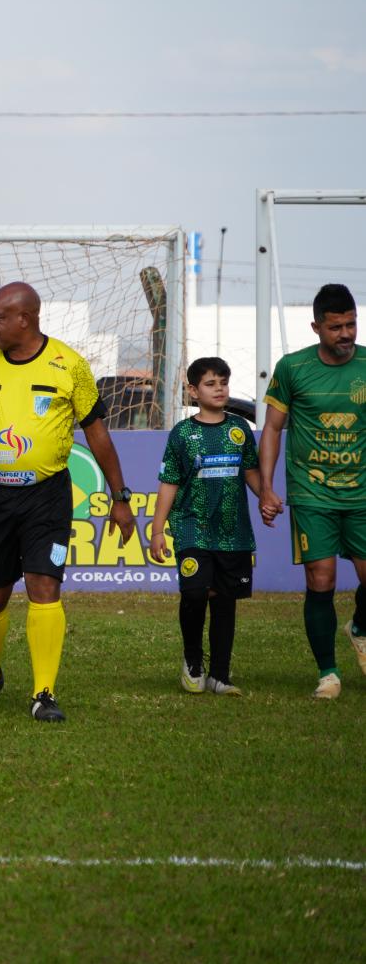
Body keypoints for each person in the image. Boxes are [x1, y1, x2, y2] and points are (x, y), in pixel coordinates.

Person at [0, 281, 136, 722]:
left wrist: (120, 496)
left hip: (46, 496)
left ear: (25, 319)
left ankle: (44, 693)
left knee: (43, 587)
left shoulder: (68, 365)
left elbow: (97, 433)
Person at [257, 283, 366, 700]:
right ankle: (328, 674)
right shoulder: (293, 368)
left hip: (362, 492)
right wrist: (267, 488)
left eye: (351, 324)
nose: (346, 334)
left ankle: (359, 627)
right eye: (336, 326)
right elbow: (272, 428)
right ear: (316, 327)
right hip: (312, 491)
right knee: (321, 579)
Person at [150, 356, 257, 696]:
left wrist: (266, 496)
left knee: (225, 599)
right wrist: (156, 530)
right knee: (195, 592)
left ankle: (220, 676)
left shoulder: (240, 430)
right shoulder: (183, 433)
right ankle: (193, 660)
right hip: (191, 526)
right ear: (194, 391)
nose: (220, 389)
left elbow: (251, 471)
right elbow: (169, 482)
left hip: (233, 530)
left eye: (223, 382)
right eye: (211, 384)